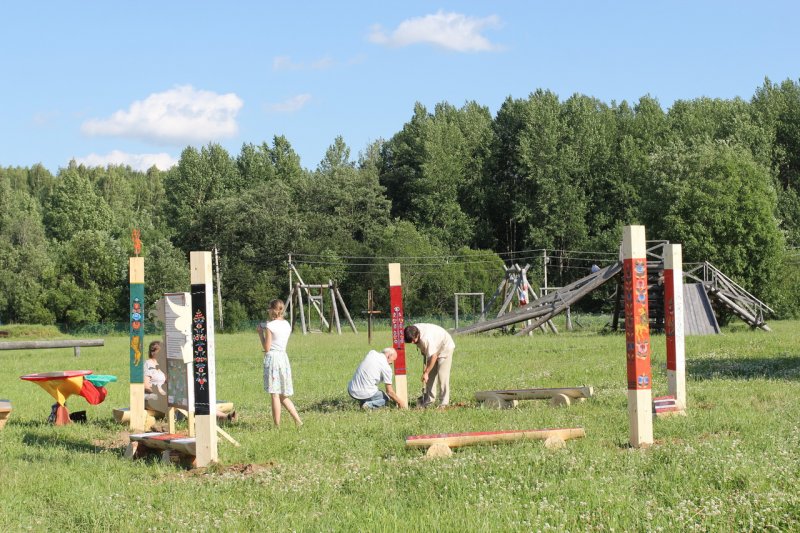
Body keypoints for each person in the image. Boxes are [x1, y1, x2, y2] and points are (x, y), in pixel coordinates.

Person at [145, 340, 236, 423]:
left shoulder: (162, 365)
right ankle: (218, 418)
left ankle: (224, 417)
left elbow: (169, 381)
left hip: (165, 395)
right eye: (162, 351)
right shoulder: (148, 364)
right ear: (154, 352)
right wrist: (161, 392)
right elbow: (146, 386)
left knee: (191, 398)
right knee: (185, 401)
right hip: (152, 397)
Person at [257, 299, 302, 427]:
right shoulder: (287, 324)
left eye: (269, 308)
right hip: (283, 358)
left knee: (275, 395)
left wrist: (260, 334)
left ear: (273, 310)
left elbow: (267, 348)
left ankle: (277, 426)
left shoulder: (270, 326)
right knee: (283, 395)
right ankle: (298, 421)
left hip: (273, 359)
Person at [404, 323, 456, 408]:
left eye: (414, 340)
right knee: (430, 377)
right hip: (434, 347)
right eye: (410, 341)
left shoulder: (426, 339)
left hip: (445, 347)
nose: (412, 342)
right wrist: (423, 350)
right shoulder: (410, 330)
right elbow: (430, 353)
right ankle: (429, 401)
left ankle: (444, 403)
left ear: (418, 335)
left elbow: (434, 356)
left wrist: (426, 372)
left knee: (442, 376)